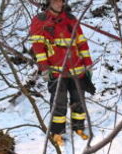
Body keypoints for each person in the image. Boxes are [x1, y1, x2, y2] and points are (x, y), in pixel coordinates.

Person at [28, 0, 95, 146]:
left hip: (77, 68)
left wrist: (88, 64)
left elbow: (82, 42)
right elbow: (38, 48)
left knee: (79, 100)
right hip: (56, 70)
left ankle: (79, 127)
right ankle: (57, 133)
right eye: (56, 0)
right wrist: (44, 68)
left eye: (62, 0)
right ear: (49, 2)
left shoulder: (71, 19)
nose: (60, 3)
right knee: (59, 103)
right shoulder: (40, 21)